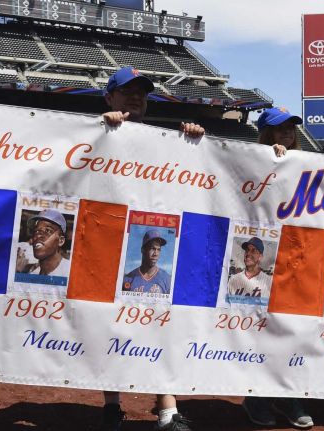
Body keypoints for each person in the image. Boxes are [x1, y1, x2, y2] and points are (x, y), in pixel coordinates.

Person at [100, 66, 203, 431]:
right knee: (111, 328)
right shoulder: (98, 130)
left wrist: (191, 139)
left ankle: (167, 411)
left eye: (141, 92)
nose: (135, 97)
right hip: (108, 244)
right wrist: (102, 125)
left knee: (162, 327)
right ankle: (112, 405)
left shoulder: (165, 138)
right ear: (109, 97)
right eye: (126, 91)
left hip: (150, 233)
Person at [242, 107, 314, 430]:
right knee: (262, 327)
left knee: (293, 328)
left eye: (290, 127)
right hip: (266, 249)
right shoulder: (254, 158)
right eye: (279, 128)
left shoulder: (308, 163)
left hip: (297, 255)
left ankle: (289, 395)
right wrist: (268, 158)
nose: (286, 132)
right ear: (266, 132)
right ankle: (256, 396)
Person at [16, 209, 70, 277]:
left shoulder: (69, 272)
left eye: (48, 231)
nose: (38, 235)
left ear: (60, 241)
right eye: (36, 231)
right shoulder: (32, 272)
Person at [123, 229, 171, 294]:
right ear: (143, 250)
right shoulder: (128, 279)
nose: (156, 254)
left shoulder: (167, 279)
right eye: (152, 248)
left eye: (158, 250)